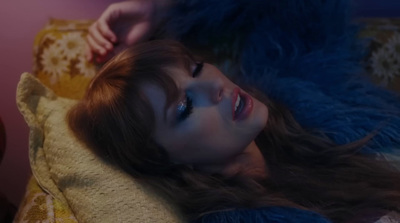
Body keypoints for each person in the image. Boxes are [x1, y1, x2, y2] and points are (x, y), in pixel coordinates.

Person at [70, 0, 400, 222]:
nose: (215, 86)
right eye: (184, 106)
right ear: (165, 161)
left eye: (196, 68)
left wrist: (159, 9)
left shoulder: (302, 104)